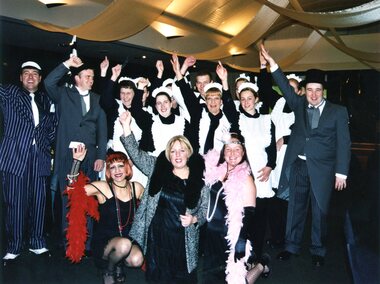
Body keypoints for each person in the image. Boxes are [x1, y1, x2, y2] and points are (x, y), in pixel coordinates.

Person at [260, 43, 351, 266]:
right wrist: (272, 65)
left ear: (323, 91)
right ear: (305, 90)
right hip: (299, 165)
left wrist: (342, 173)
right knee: (295, 208)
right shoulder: (298, 103)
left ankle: (318, 250)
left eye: (317, 90)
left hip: (324, 169)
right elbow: (283, 84)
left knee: (320, 211)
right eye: (309, 89)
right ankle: (291, 246)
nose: (313, 94)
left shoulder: (338, 111)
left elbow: (344, 143)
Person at [119, 110, 208, 283]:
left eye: (182, 150)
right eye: (173, 151)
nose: (178, 155)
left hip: (182, 240)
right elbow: (136, 154)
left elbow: (205, 210)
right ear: (168, 155)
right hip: (157, 237)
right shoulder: (158, 168)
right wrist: (126, 126)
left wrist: (194, 219)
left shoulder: (200, 180)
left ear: (188, 153)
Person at [44, 55, 107, 254]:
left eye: (92, 77)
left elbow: (102, 131)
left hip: (90, 159)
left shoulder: (98, 100)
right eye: (87, 76)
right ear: (77, 78)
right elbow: (48, 82)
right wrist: (67, 64)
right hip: (67, 157)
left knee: (88, 199)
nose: (91, 80)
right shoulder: (63, 94)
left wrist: (101, 156)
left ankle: (86, 245)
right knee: (67, 200)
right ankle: (66, 244)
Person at [1, 61, 57, 261]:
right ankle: (14, 246)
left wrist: (47, 142)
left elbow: (52, 126)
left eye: (35, 74)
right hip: (15, 157)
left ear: (40, 79)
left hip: (40, 157)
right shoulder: (9, 94)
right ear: (20, 78)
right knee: (15, 202)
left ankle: (37, 242)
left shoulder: (46, 99)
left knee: (40, 202)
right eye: (26, 73)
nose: (30, 77)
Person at [67, 145, 144, 284]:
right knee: (124, 245)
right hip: (105, 242)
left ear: (127, 168)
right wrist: (76, 162)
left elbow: (152, 206)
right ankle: (109, 270)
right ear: (108, 171)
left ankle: (119, 263)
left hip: (127, 238)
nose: (117, 171)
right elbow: (72, 190)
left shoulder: (136, 188)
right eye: (112, 167)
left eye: (120, 166)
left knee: (137, 259)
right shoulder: (103, 187)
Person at [203, 132, 269, 283]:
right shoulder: (217, 169)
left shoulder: (246, 179)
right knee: (212, 276)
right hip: (213, 233)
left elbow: (249, 214)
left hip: (234, 234)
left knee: (235, 279)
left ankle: (260, 266)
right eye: (228, 149)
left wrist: (240, 241)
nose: (232, 153)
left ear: (243, 152)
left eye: (237, 149)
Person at [237, 81, 277, 262]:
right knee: (244, 218)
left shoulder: (267, 120)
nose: (246, 103)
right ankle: (243, 256)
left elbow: (272, 149)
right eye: (243, 99)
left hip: (262, 174)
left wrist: (270, 166)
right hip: (244, 174)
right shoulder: (237, 119)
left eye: (249, 99)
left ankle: (258, 256)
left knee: (260, 218)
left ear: (256, 99)